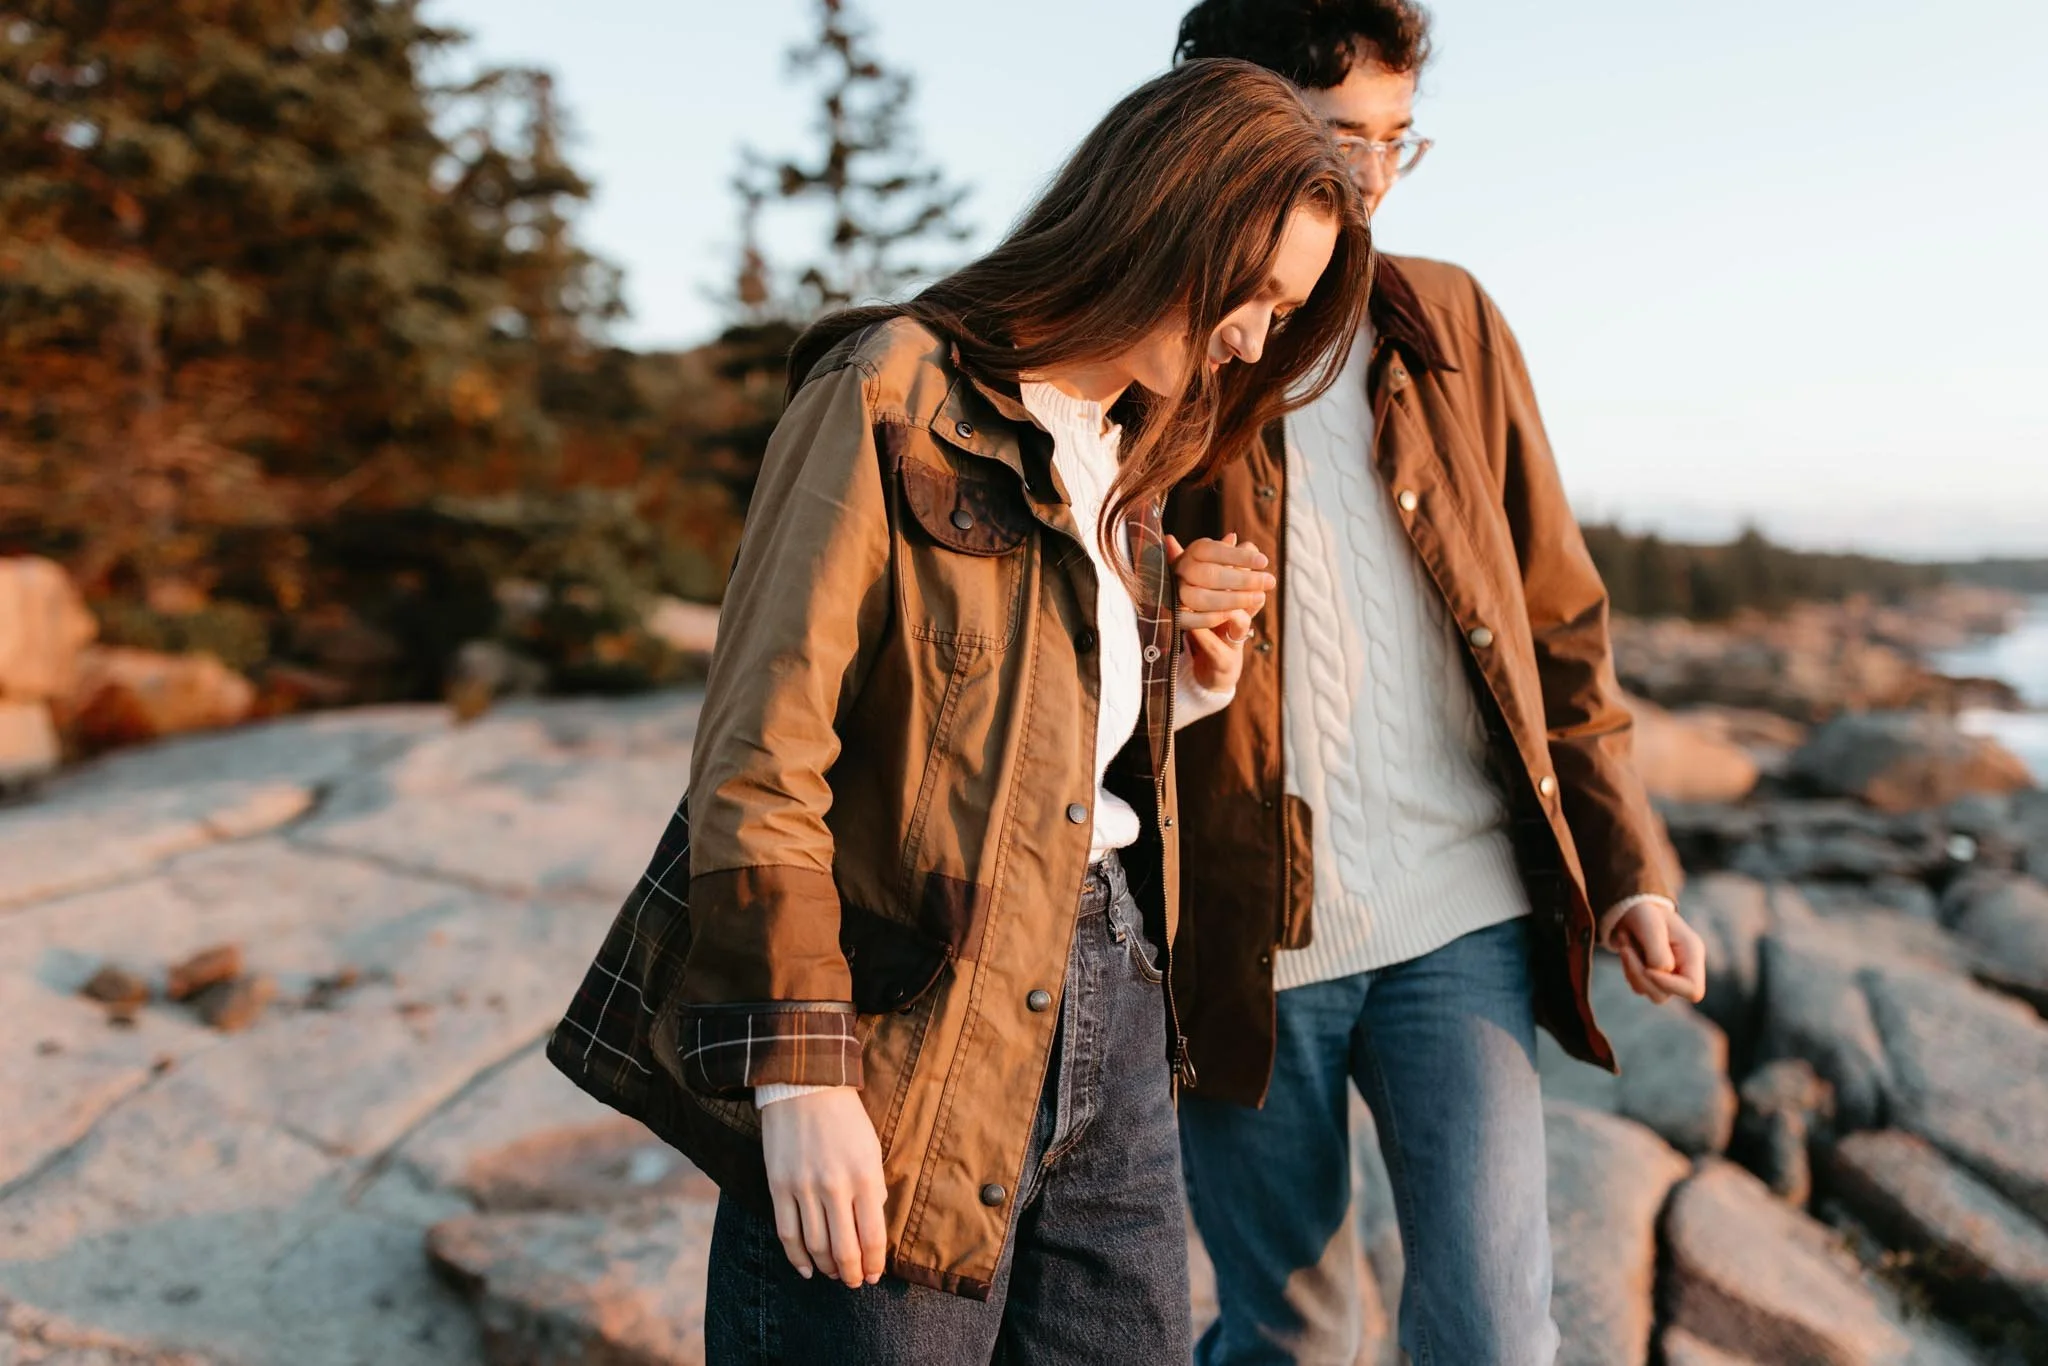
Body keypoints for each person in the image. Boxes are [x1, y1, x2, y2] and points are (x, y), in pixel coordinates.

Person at [548, 58, 1373, 1365]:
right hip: (905, 1015)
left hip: (1110, 994)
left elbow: (1046, 756)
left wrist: (1191, 684)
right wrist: (800, 1066)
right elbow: (764, 752)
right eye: (1256, 293)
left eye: (1286, 313)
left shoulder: (1130, 461)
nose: (1254, 340)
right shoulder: (892, 389)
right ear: (1166, 216)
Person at [1164, 7, 1710, 1365]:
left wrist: (1630, 868)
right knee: (1285, 1333)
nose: (1372, 176)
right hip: (1241, 943)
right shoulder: (1157, 347)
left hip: (1461, 915)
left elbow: (1559, 623)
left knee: (1493, 1334)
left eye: (1397, 141)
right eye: (1335, 138)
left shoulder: (1450, 317)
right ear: (1223, 117)